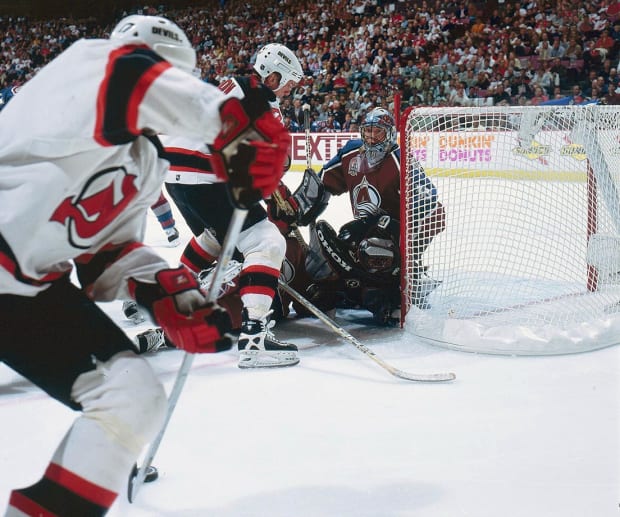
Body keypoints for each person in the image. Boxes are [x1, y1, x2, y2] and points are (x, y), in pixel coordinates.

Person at [0, 14, 288, 515]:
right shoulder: (84, 70)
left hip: (23, 293)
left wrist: (169, 292)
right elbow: (129, 75)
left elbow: (105, 256)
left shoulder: (147, 160)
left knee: (132, 398)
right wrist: (230, 122)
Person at [162, 42, 304, 369]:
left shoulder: (230, 85)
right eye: (288, 83)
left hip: (175, 176)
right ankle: (254, 338)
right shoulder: (261, 99)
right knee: (265, 241)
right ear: (273, 76)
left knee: (217, 235)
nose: (288, 90)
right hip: (204, 175)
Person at [268, 107, 446, 324]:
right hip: (363, 231)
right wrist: (299, 208)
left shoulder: (401, 161)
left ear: (389, 134)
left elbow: (434, 208)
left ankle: (392, 291)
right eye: (367, 131)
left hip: (391, 238)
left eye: (377, 132)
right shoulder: (351, 153)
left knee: (371, 247)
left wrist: (405, 245)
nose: (371, 137)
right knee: (331, 240)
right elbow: (323, 184)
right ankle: (336, 291)